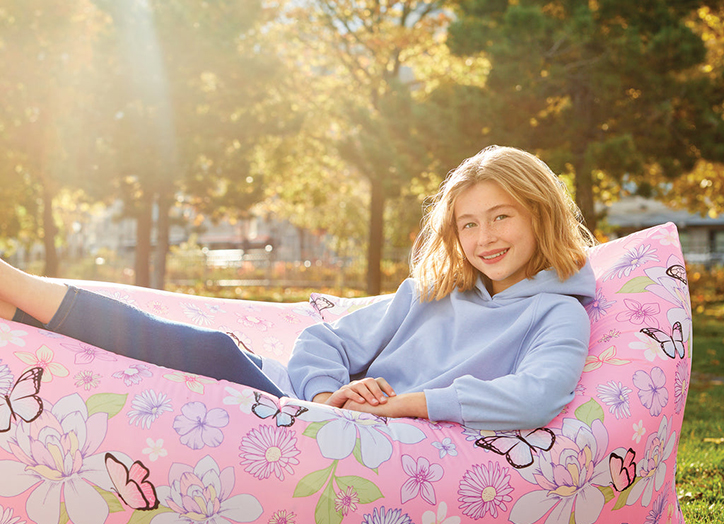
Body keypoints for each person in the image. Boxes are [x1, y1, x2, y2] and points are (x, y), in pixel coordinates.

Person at [0, 146, 596, 431]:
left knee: (202, 355)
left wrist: (407, 403)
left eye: (502, 216)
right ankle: (18, 305)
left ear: (540, 214)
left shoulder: (556, 315)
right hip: (298, 398)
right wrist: (330, 394)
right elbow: (321, 342)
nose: (485, 237)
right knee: (200, 352)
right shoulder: (428, 293)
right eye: (468, 223)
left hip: (323, 424)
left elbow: (539, 395)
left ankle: (15, 293)